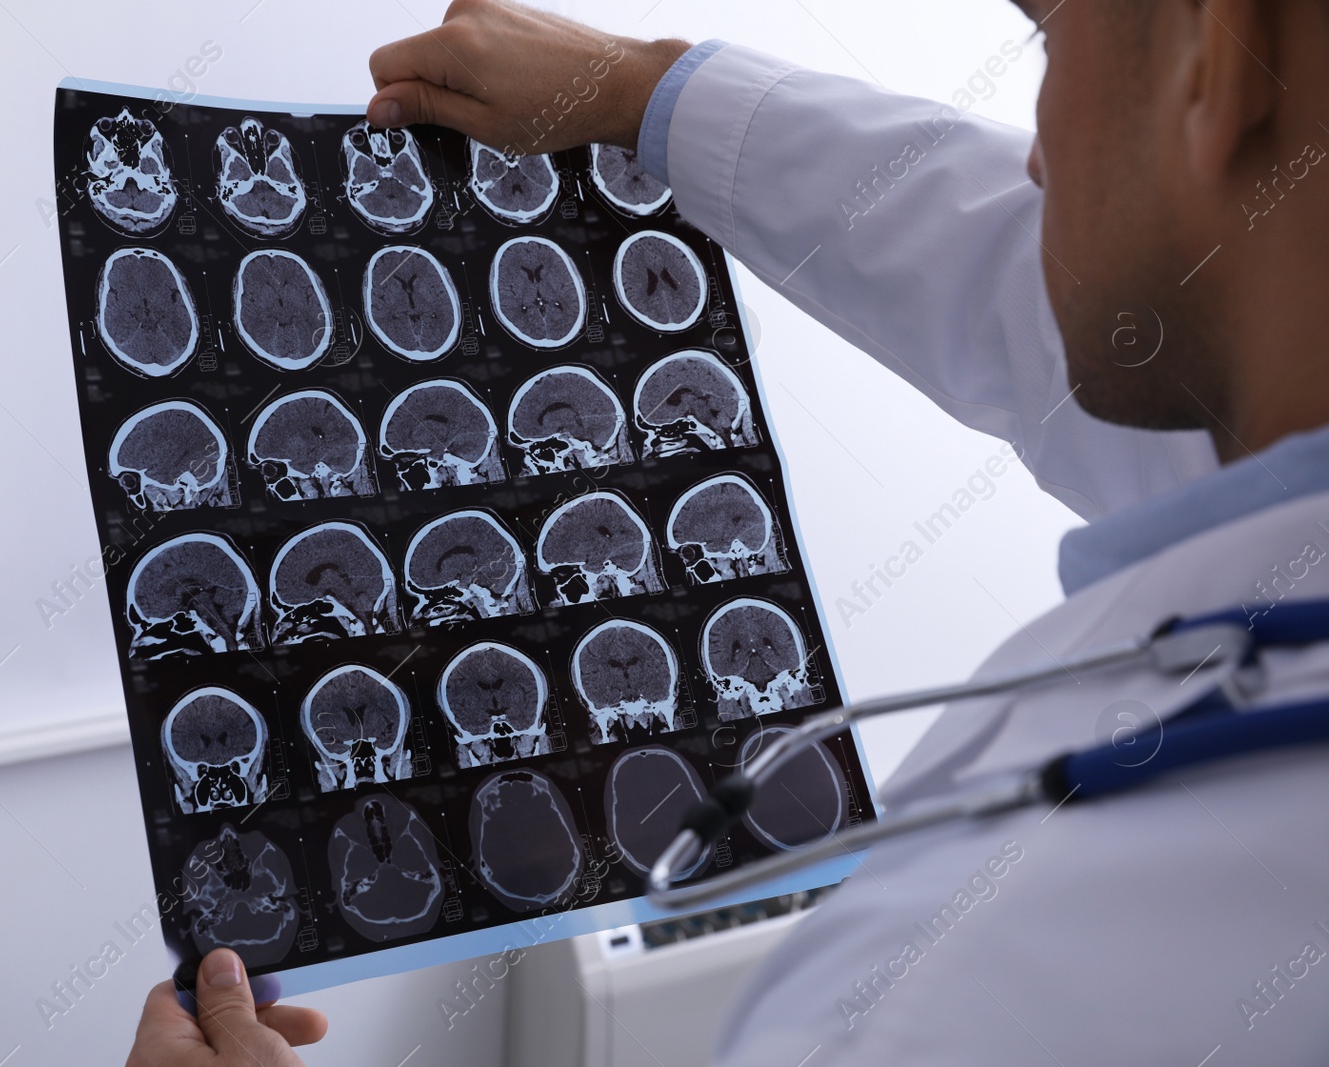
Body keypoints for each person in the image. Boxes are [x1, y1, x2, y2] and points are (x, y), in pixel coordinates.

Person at [129, 0, 1329, 1062]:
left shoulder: (992, 982)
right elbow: (1120, 285)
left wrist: (653, 92)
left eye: (1048, 35)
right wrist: (647, 95)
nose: (1029, 151)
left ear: (1211, 63)